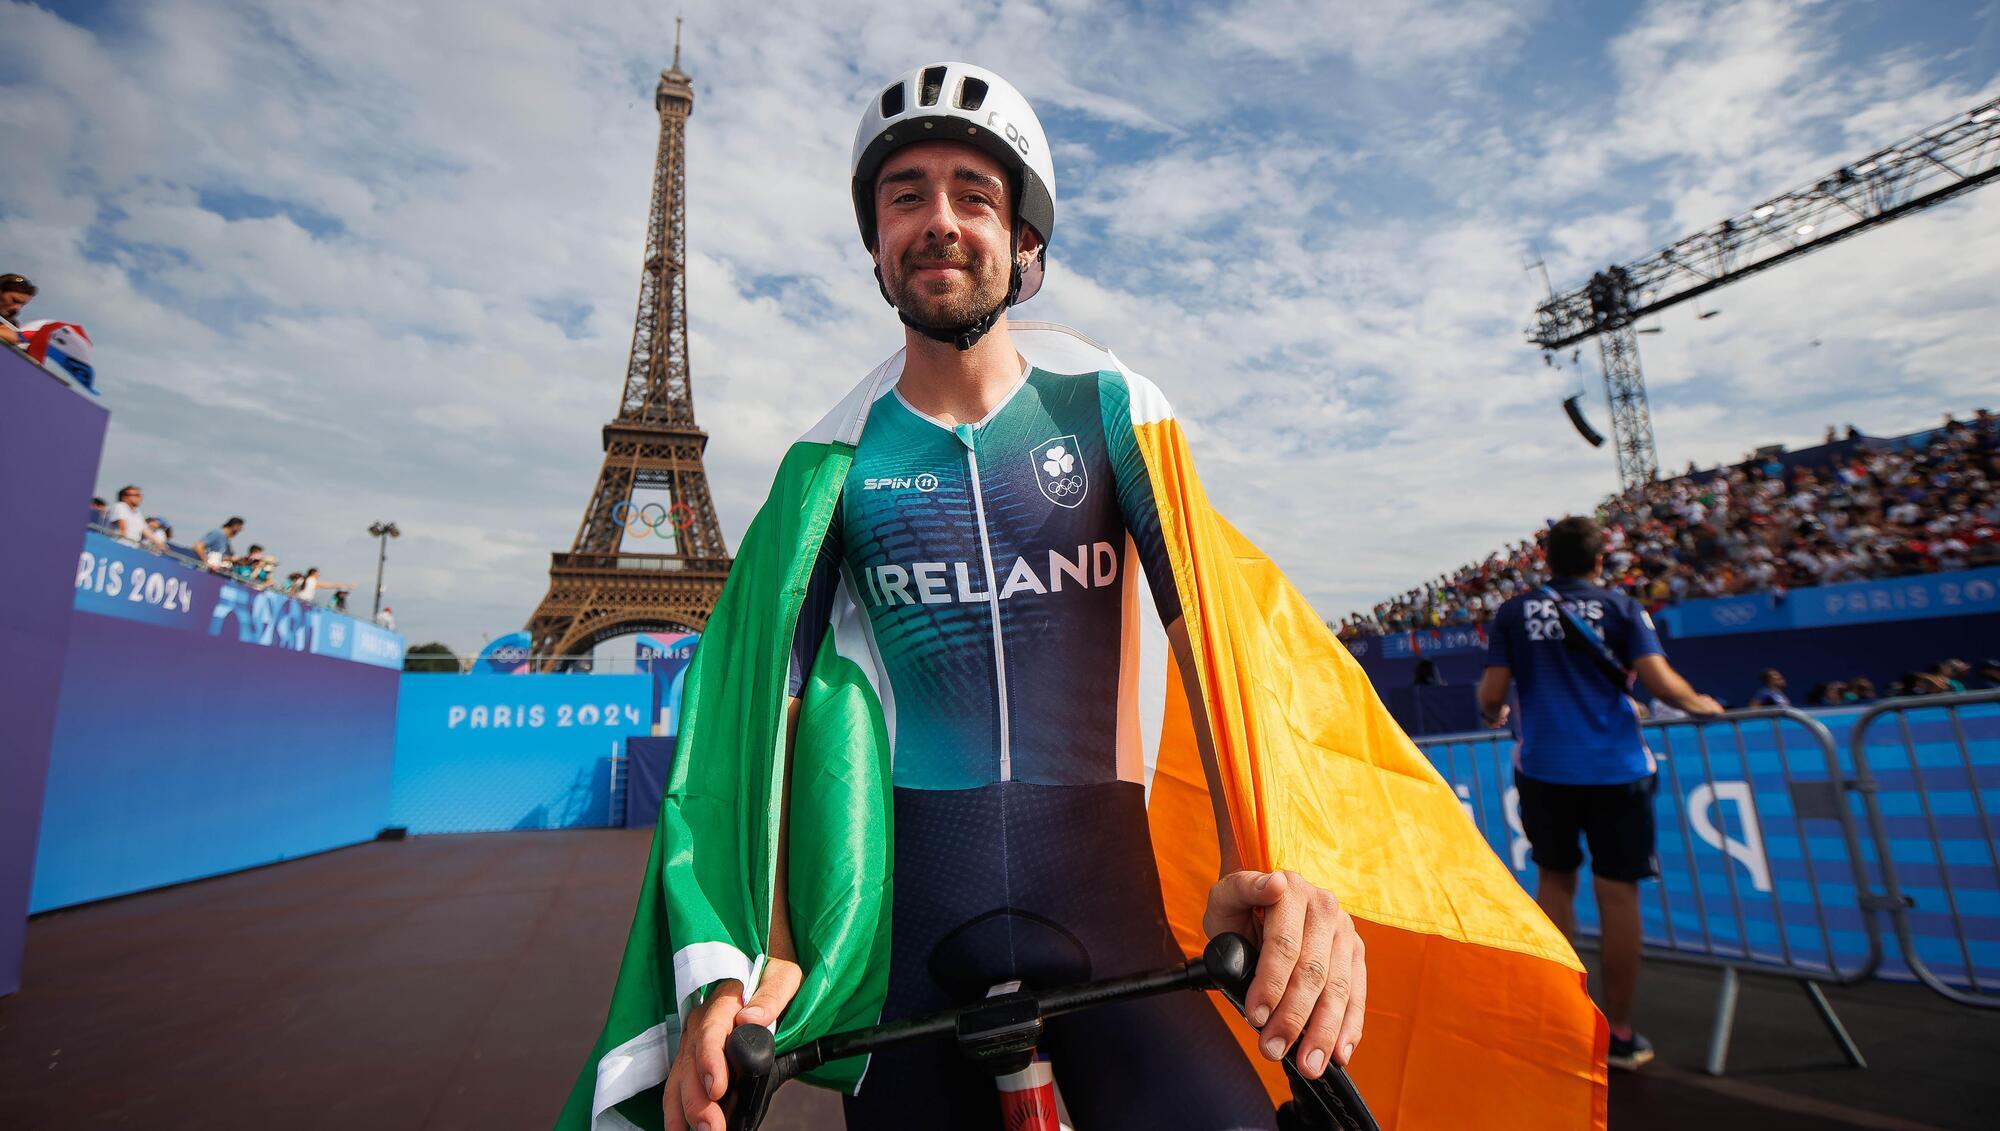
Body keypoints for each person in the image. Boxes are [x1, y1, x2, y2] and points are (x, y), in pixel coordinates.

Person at [648, 61, 1359, 1131]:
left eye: (972, 196)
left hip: (1116, 927)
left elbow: (1218, 648)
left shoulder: (1112, 410)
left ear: (1024, 242)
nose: (938, 219)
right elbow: (755, 721)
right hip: (911, 954)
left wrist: (1270, 866)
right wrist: (749, 959)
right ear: (877, 244)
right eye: (906, 197)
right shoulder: (829, 466)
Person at [1477, 515, 1723, 1071]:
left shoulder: (1515, 611)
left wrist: (1493, 715)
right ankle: (1622, 1034)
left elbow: (1492, 695)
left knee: (1555, 885)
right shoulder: (1621, 607)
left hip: (1544, 769)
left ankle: (1562, 1024)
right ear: (1598, 560)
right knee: (1618, 897)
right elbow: (1659, 682)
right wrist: (1703, 705)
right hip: (1617, 771)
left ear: (1547, 561)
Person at [0, 273, 35, 346]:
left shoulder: (10, 323)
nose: (17, 307)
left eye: (22, 304)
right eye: (15, 300)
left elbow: (13, 336)